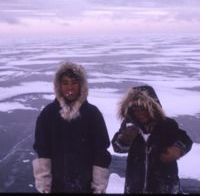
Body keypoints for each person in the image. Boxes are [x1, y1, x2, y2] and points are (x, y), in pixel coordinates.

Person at [32, 61, 111, 193]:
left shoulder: (92, 114)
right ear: (59, 86)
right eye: (65, 83)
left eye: (74, 82)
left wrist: (98, 188)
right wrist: (44, 186)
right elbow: (42, 151)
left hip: (86, 187)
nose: (70, 88)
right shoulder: (48, 114)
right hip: (56, 188)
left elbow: (101, 152)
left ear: (82, 85)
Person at [112, 85, 193, 194]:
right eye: (135, 110)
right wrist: (124, 139)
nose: (140, 113)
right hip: (135, 188)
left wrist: (177, 149)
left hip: (165, 187)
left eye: (143, 108)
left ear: (152, 108)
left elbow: (185, 139)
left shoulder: (167, 125)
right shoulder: (129, 126)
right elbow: (117, 148)